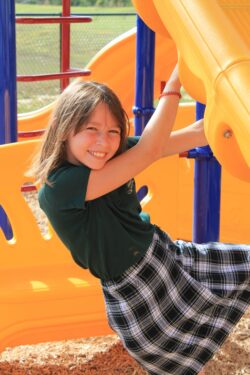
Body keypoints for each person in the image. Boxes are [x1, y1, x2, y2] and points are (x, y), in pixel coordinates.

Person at [30, 65, 250, 375]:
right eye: (91, 129)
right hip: (141, 295)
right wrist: (175, 84)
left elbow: (192, 135)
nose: (103, 142)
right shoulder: (59, 186)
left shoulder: (112, 155)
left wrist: (231, 109)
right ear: (66, 130)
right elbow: (150, 150)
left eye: (113, 131)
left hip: (167, 257)